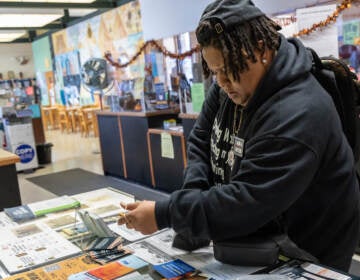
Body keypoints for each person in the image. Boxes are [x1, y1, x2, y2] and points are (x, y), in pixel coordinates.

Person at [118, 0, 360, 271]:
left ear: (261, 47)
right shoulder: (231, 84)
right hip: (257, 238)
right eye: (216, 71)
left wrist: (166, 213)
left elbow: (247, 201)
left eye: (229, 70)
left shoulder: (299, 111)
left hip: (309, 252)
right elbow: (200, 141)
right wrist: (192, 194)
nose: (222, 82)